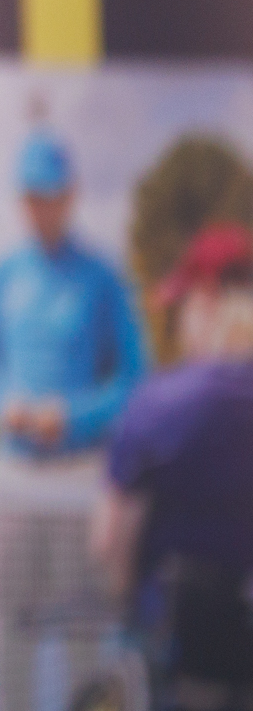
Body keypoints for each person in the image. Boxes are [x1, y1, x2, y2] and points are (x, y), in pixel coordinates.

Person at [0, 129, 153, 711]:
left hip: (79, 480)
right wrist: (5, 407)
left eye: (51, 194)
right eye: (31, 195)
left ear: (71, 196)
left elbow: (134, 380)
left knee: (83, 637)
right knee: (10, 634)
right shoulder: (4, 275)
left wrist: (71, 417)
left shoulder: (103, 278)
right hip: (12, 479)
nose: (40, 207)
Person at [102, 222, 253, 701]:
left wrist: (124, 596)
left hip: (170, 651)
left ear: (206, 299)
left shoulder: (155, 404)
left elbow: (108, 538)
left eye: (182, 306)